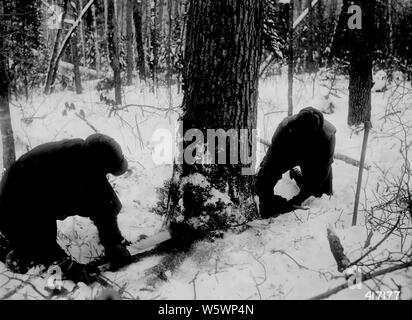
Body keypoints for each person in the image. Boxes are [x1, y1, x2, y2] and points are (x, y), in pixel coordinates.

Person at [0, 134, 131, 283]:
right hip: (14, 208)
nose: (105, 176)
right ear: (97, 165)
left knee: (101, 196)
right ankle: (16, 250)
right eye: (106, 171)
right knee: (33, 252)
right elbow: (39, 217)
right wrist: (62, 263)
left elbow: (104, 200)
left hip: (38, 198)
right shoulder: (58, 171)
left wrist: (113, 242)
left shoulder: (84, 159)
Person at [256, 107, 336, 218]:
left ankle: (299, 177)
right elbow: (270, 161)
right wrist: (266, 198)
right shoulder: (285, 127)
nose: (305, 138)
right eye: (302, 133)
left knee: (320, 195)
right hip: (289, 153)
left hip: (313, 159)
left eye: (308, 136)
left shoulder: (328, 137)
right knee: (262, 182)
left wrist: (296, 201)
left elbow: (321, 175)